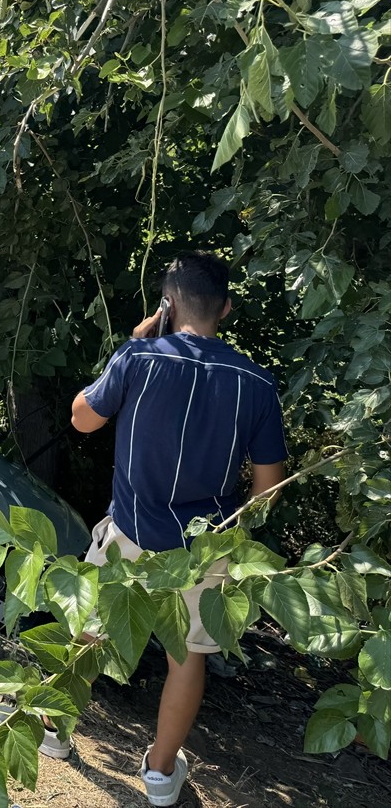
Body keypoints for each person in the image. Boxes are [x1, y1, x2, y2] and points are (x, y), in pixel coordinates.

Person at [69, 252, 287, 806]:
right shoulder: (257, 385)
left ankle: (51, 731)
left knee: (90, 631)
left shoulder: (138, 358)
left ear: (168, 304)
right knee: (186, 658)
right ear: (228, 309)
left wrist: (138, 336)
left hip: (128, 531)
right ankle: (162, 776)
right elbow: (267, 489)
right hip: (203, 548)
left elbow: (82, 417)